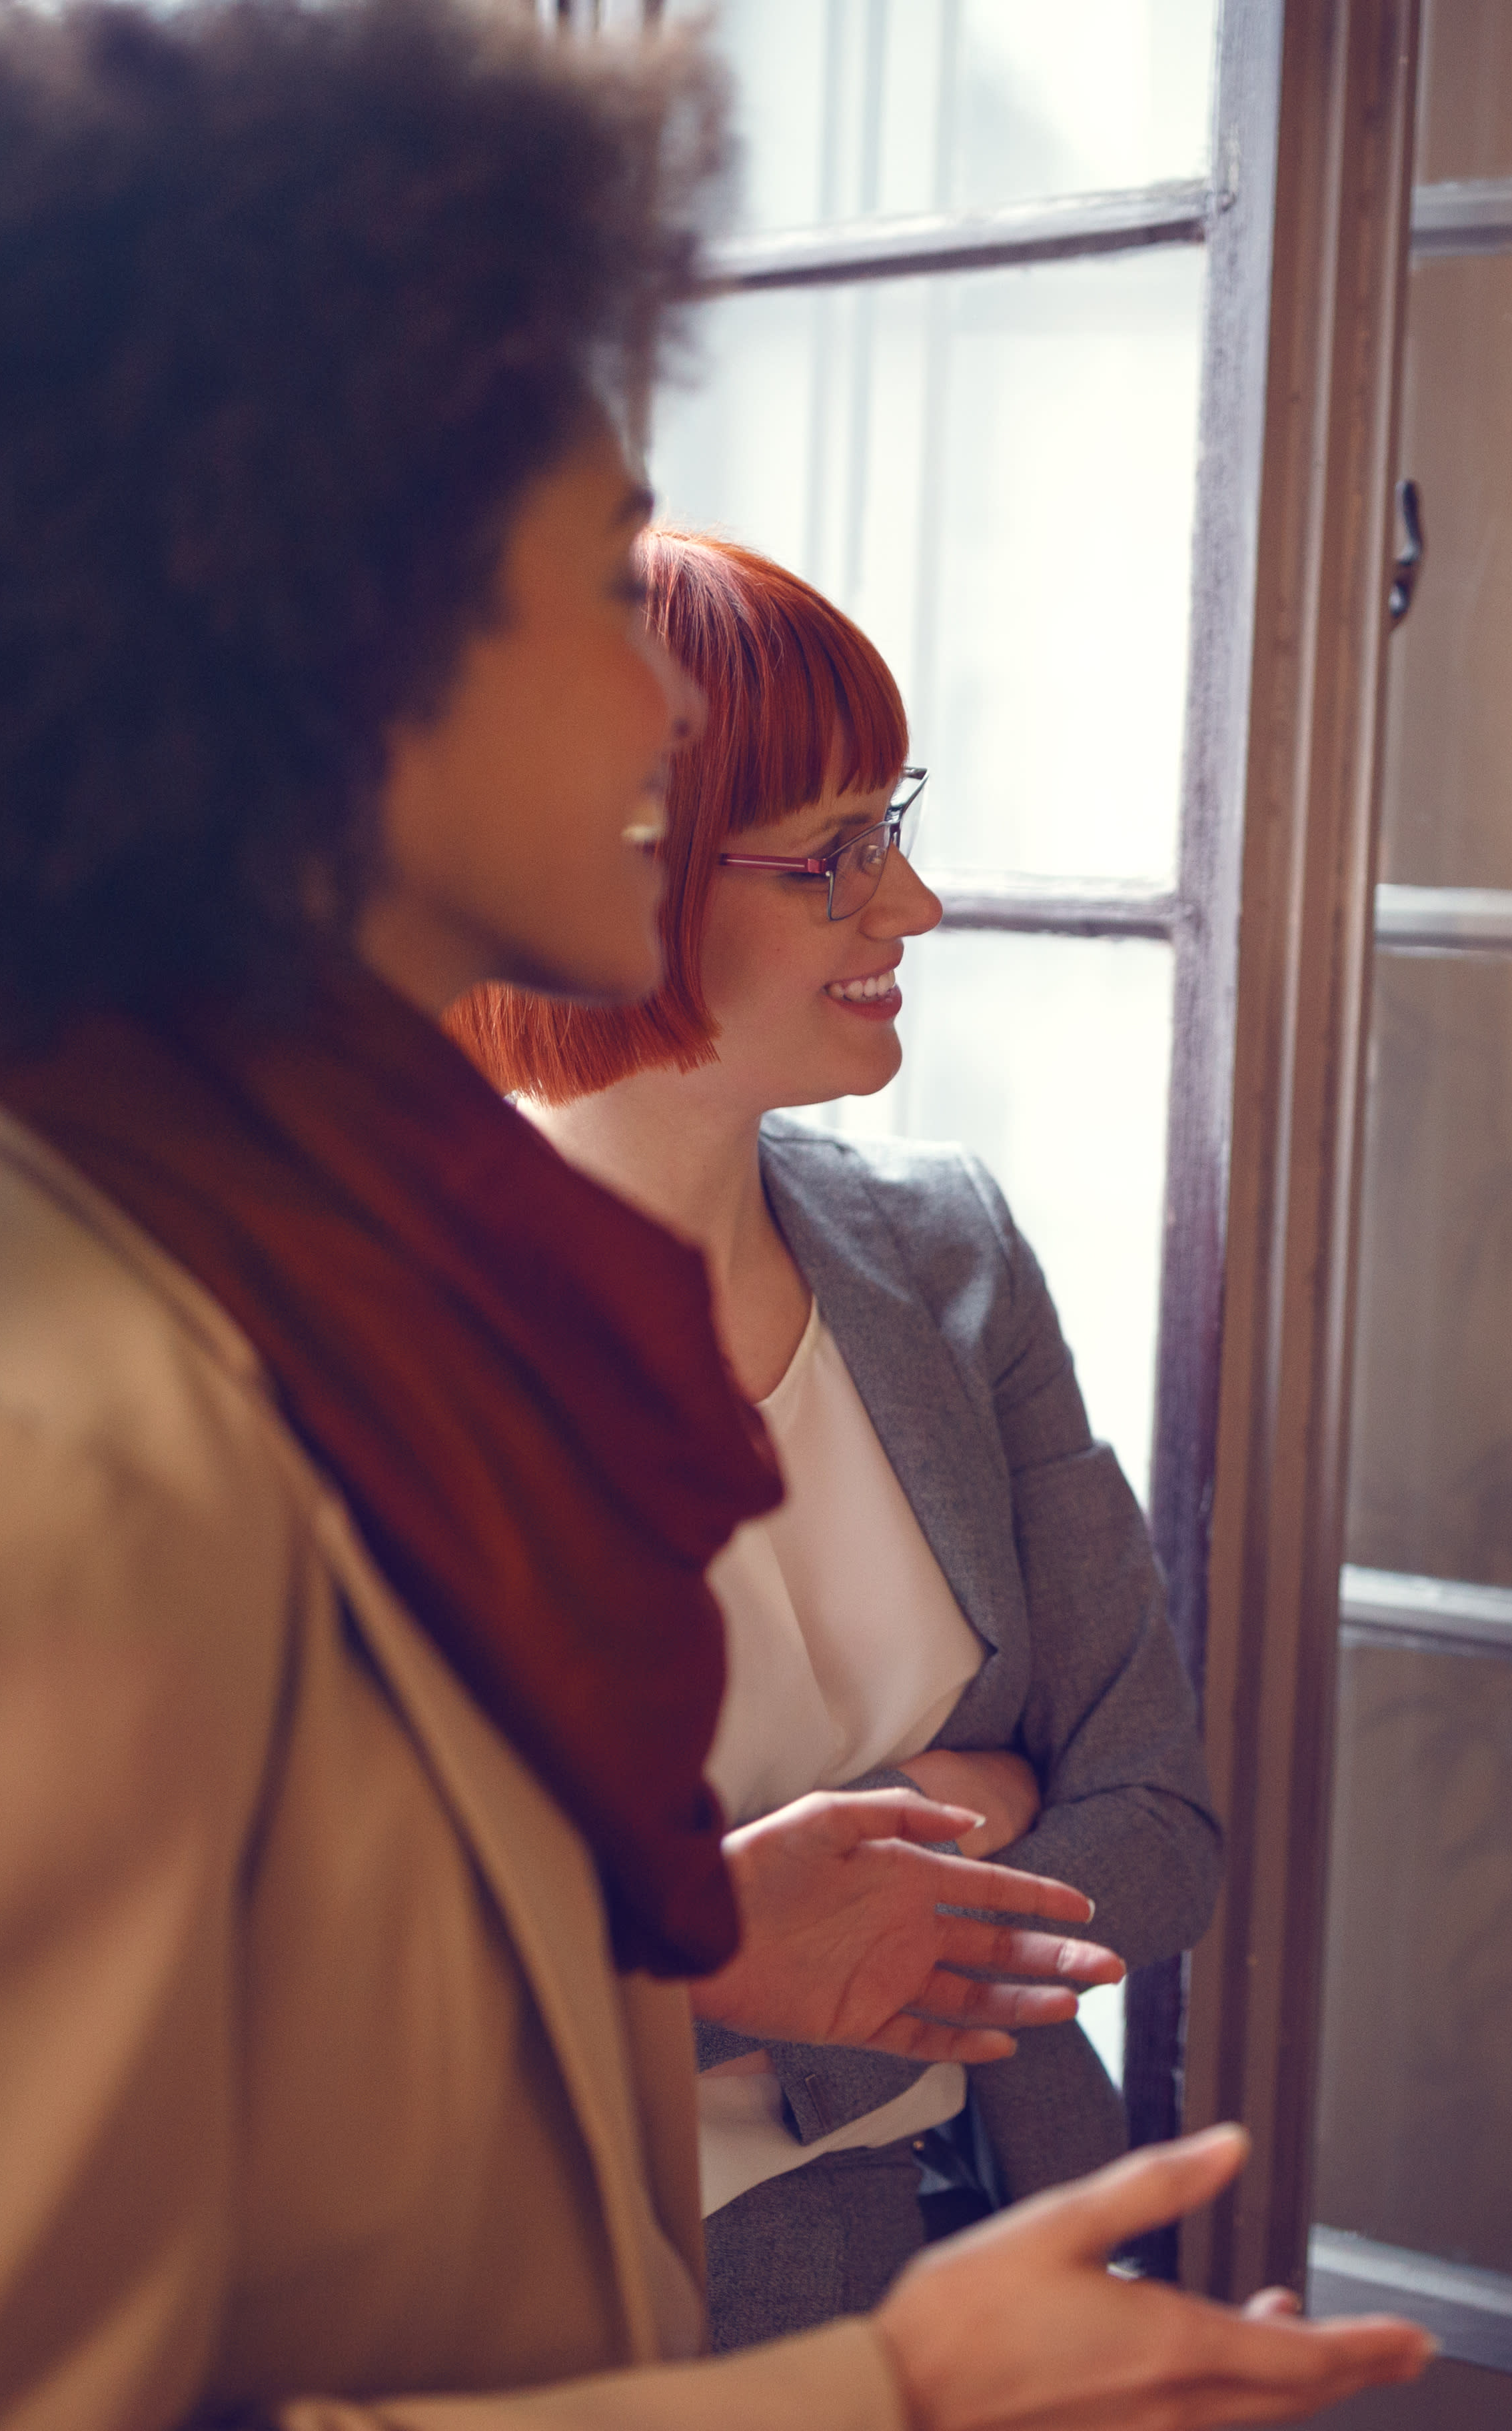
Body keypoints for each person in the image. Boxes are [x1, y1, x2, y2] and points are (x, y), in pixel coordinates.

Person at [0, 3, 1429, 2426]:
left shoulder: (285, 1284)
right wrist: (887, 2392)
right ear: (296, 654)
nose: (672, 720)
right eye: (587, 589)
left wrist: (665, 1944)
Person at [446, 531, 1221, 2346]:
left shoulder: (946, 1249)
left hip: (997, 2251)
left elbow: (1164, 1828)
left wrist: (808, 1921)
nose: (917, 905)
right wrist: (740, 1948)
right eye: (838, 856)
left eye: (898, 825)